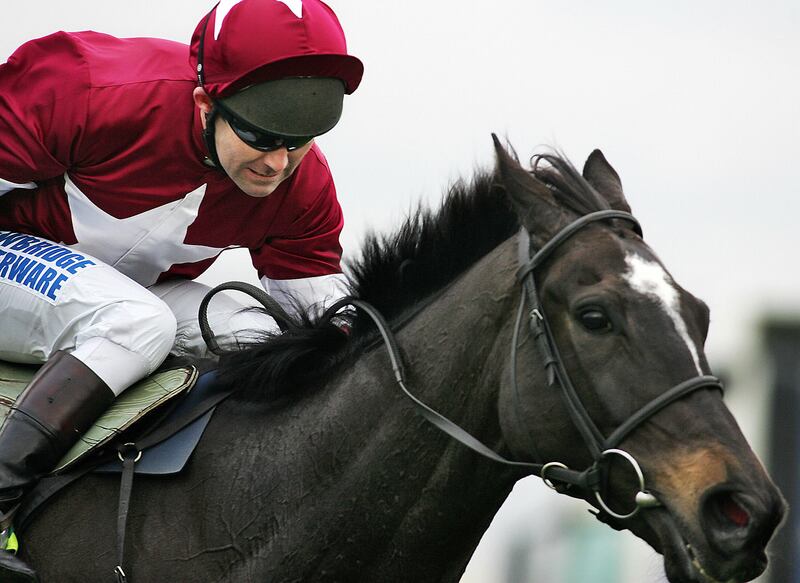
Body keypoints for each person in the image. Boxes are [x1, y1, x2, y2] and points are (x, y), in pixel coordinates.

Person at [0, 0, 363, 579]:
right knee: (135, 321)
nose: (277, 163)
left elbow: (325, 324)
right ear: (205, 102)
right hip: (13, 256)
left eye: (300, 140)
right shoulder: (90, 88)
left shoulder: (305, 183)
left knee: (261, 334)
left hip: (122, 292)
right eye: (261, 134)